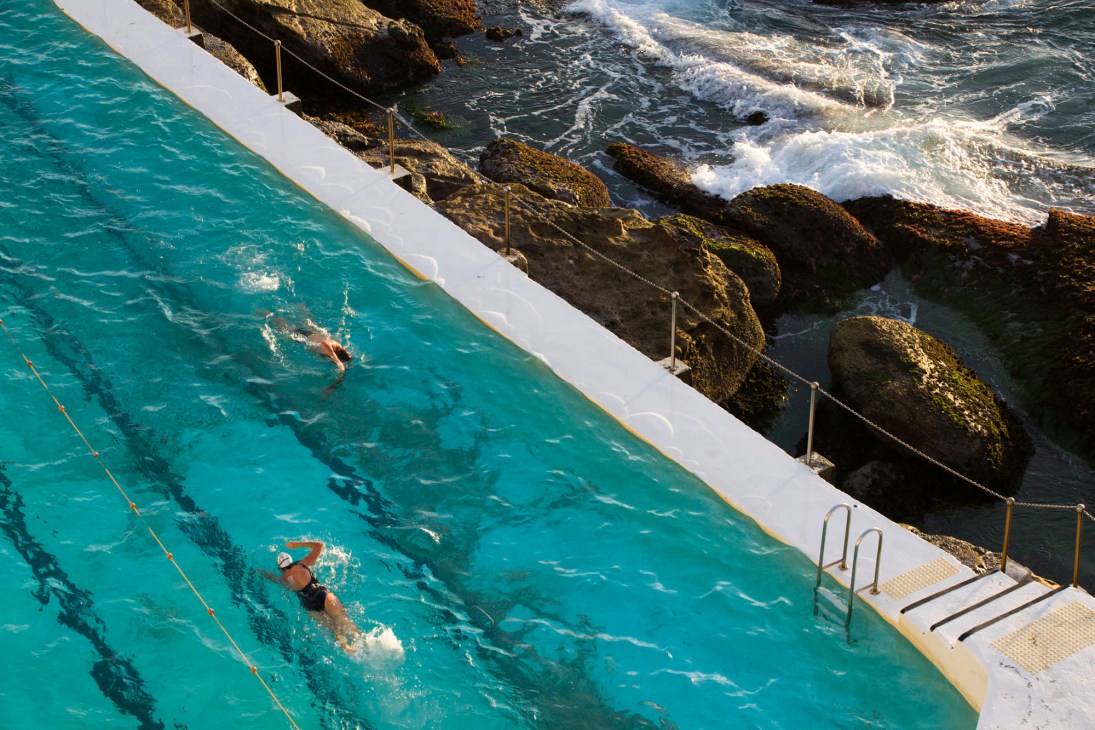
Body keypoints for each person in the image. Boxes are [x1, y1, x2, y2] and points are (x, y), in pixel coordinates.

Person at [266, 540, 361, 652]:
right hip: (320, 593)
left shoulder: (283, 579)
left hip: (308, 605)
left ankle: (345, 647)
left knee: (333, 628)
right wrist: (297, 544)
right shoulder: (301, 565)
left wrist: (262, 572)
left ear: (281, 568)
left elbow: (271, 577)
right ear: (291, 561)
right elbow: (320, 545)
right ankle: (362, 644)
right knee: (343, 621)